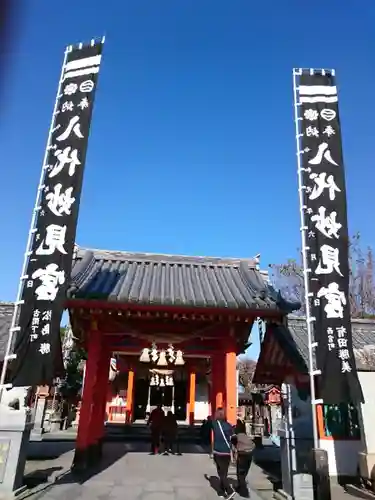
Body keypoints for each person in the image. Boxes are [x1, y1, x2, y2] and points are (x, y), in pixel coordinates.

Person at [211, 408, 235, 499]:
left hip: (218, 452)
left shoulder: (215, 424)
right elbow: (233, 439)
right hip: (227, 453)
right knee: (224, 473)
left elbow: (209, 420)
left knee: (221, 474)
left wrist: (208, 478)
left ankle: (229, 490)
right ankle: (221, 491)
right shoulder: (229, 426)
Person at [231, 419, 255, 497]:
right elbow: (253, 444)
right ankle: (240, 486)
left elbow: (233, 447)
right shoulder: (246, 436)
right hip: (250, 454)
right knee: (244, 473)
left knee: (240, 473)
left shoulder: (235, 437)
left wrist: (234, 458)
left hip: (242, 455)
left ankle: (244, 492)